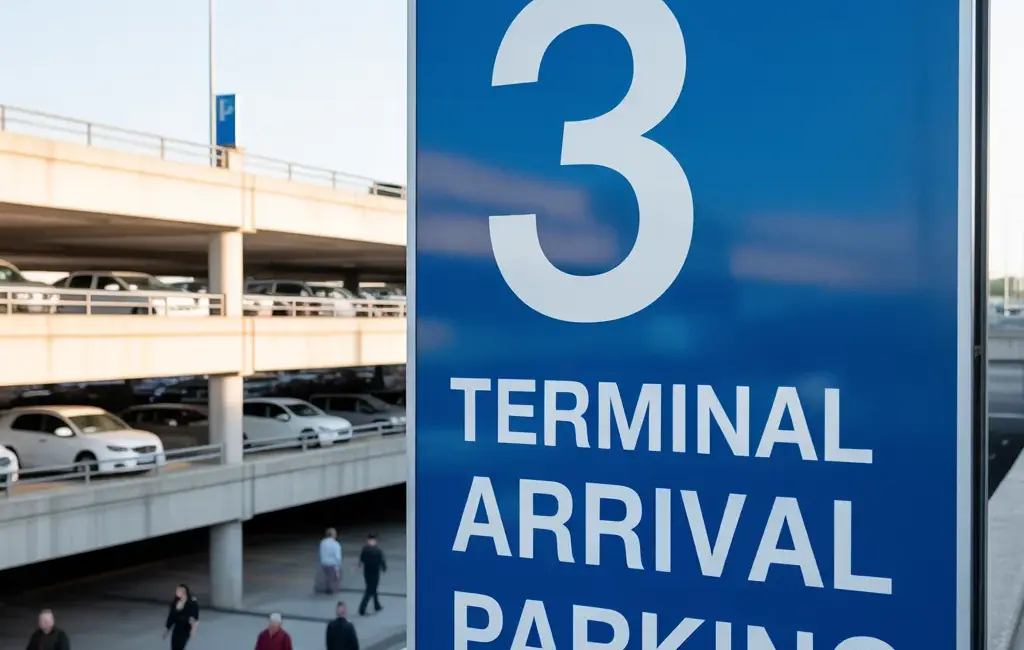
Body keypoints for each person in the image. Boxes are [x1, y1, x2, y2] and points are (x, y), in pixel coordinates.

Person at [163, 583, 200, 650]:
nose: (176, 592)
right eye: (177, 590)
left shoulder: (191, 603)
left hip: (185, 628)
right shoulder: (175, 603)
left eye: (178, 591)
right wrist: (167, 628)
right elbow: (171, 617)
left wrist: (193, 628)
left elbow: (194, 616)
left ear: (184, 592)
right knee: (174, 647)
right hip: (177, 628)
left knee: (180, 646)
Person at [357, 533, 387, 616]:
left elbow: (361, 560)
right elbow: (382, 561)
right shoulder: (378, 551)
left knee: (372, 588)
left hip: (367, 572)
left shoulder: (365, 549)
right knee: (370, 590)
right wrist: (384, 568)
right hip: (375, 572)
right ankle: (362, 609)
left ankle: (377, 605)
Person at [316, 528, 343, 594]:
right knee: (334, 577)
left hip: (324, 563)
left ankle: (327, 588)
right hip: (332, 564)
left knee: (328, 576)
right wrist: (339, 565)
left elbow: (320, 552)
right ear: (333, 535)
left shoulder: (323, 542)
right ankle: (331, 590)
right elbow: (338, 556)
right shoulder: (335, 544)